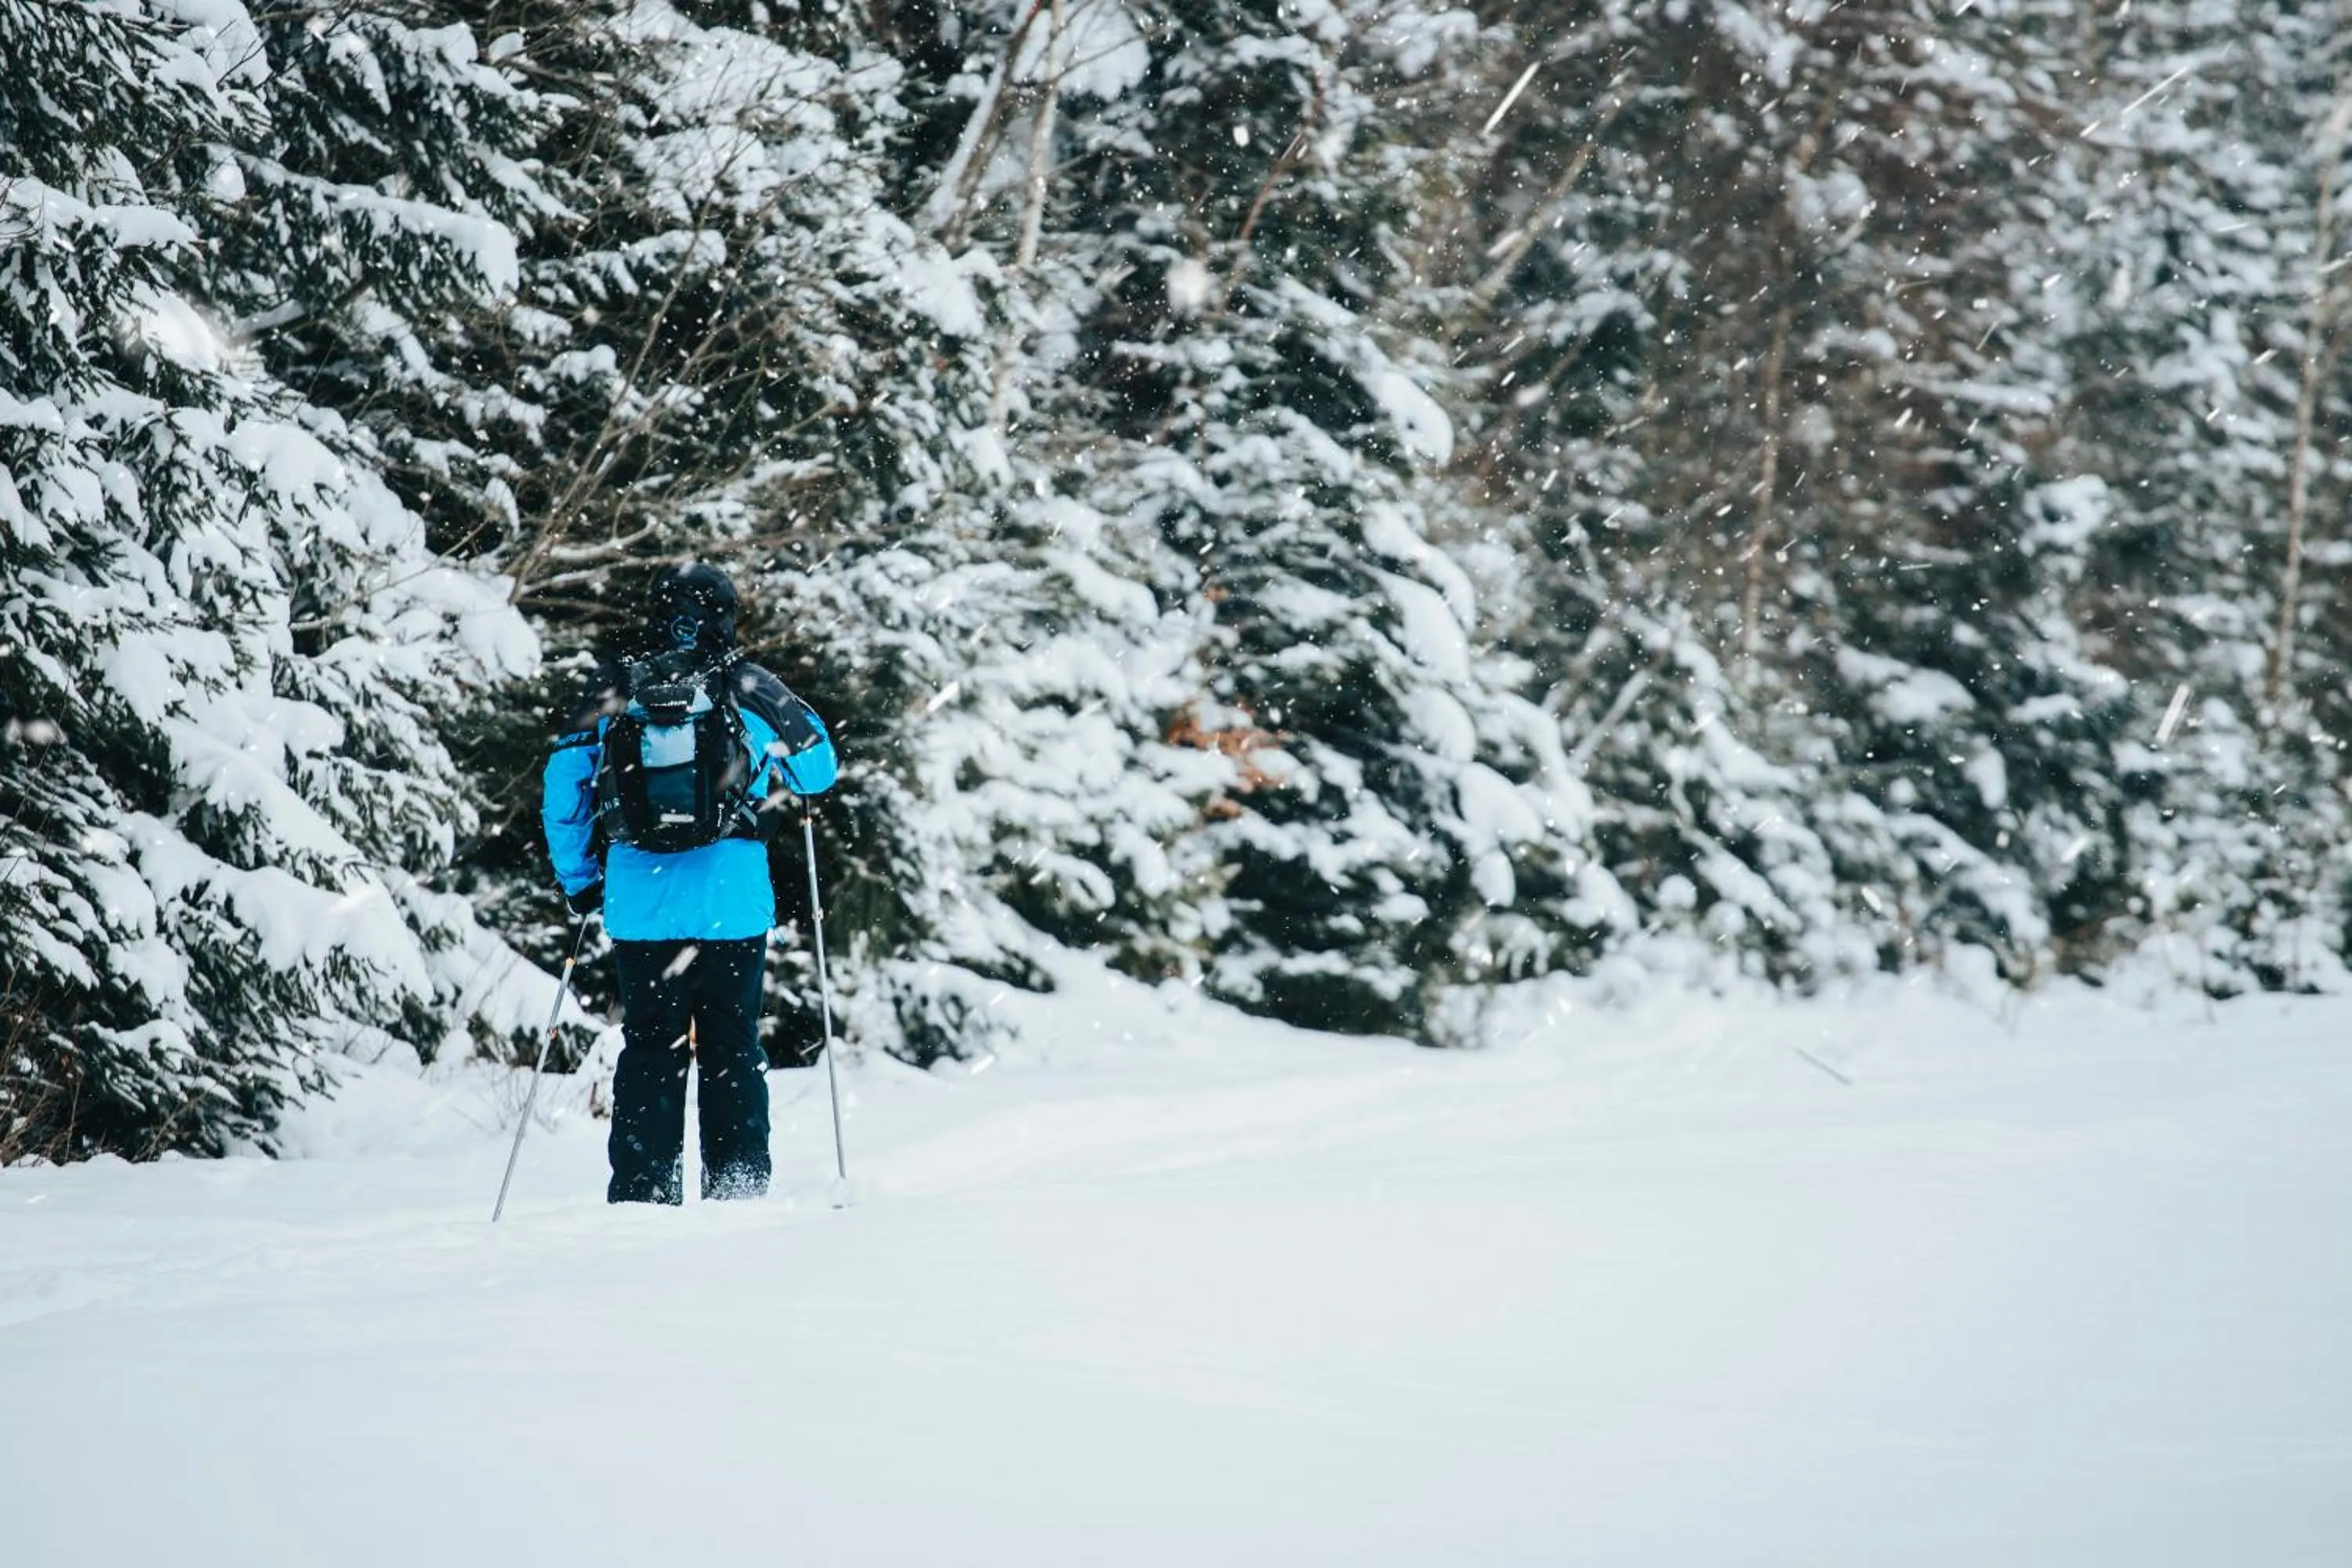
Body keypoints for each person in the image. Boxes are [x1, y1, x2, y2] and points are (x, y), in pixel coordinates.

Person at [539, 564, 838, 1204]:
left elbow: (562, 784)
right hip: (731, 906)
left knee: (650, 1049)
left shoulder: (616, 687)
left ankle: (644, 1195)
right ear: (727, 616)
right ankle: (736, 1191)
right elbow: (818, 770)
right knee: (733, 1046)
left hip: (640, 902)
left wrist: (582, 882)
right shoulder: (748, 686)